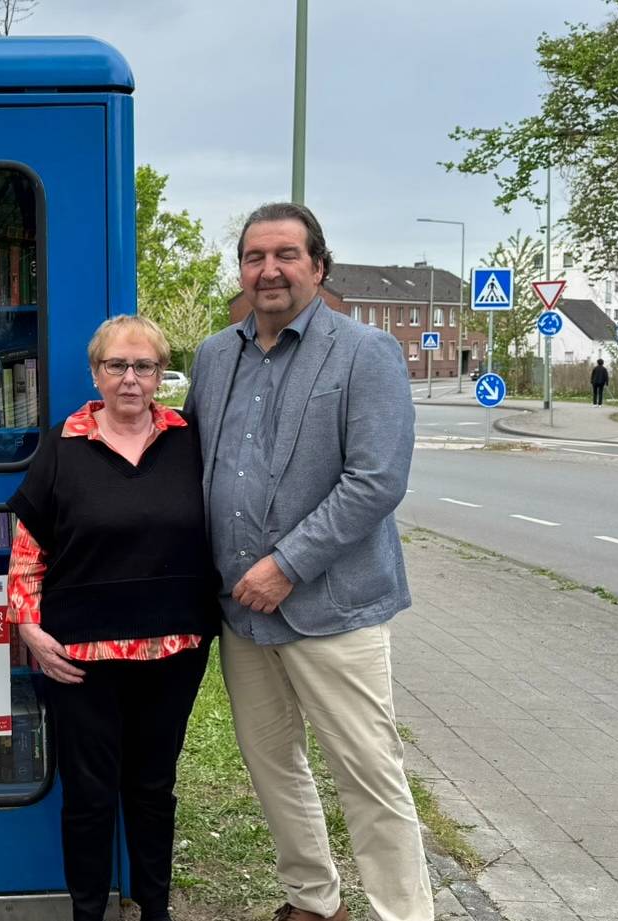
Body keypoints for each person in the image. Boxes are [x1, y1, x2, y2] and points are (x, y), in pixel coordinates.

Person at [183, 203, 427, 921]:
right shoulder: (214, 356)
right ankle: (314, 901)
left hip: (333, 608)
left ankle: (402, 913)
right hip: (241, 610)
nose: (269, 270)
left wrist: (287, 564)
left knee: (369, 773)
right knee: (271, 762)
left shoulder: (365, 352)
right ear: (241, 271)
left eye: (286, 255)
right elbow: (191, 462)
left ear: (318, 267)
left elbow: (376, 480)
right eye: (255, 257)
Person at [5, 315, 219, 921]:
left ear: (160, 374)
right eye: (116, 365)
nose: (130, 378)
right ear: (95, 372)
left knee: (153, 788)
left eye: (143, 366)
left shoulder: (190, 442)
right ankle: (88, 911)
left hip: (172, 649)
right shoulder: (62, 444)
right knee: (89, 795)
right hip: (79, 657)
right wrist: (28, 627)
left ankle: (155, 909)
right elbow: (27, 548)